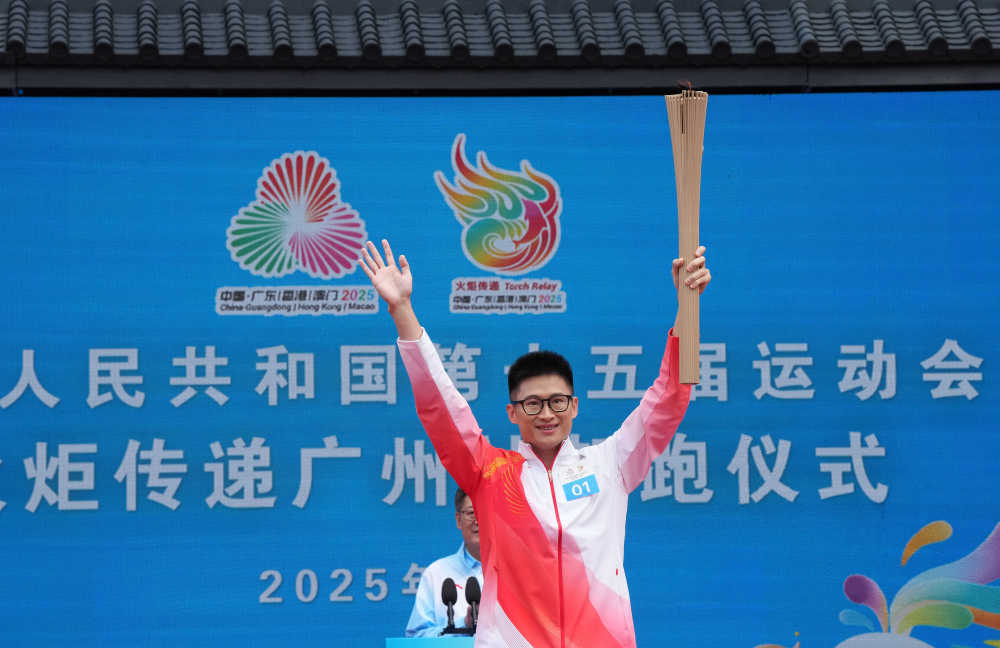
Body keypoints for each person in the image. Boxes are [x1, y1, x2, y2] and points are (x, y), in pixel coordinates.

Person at [359, 239, 710, 648]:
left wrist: (688, 307)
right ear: (513, 412)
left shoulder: (610, 464)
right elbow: (441, 407)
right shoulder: (489, 473)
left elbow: (668, 397)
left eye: (557, 401)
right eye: (532, 404)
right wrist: (402, 310)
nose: (546, 414)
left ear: (574, 406)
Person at [405, 487, 484, 637]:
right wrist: (464, 624)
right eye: (471, 513)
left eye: (484, 512)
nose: (477, 521)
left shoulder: (516, 571)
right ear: (458, 520)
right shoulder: (437, 573)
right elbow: (416, 637)